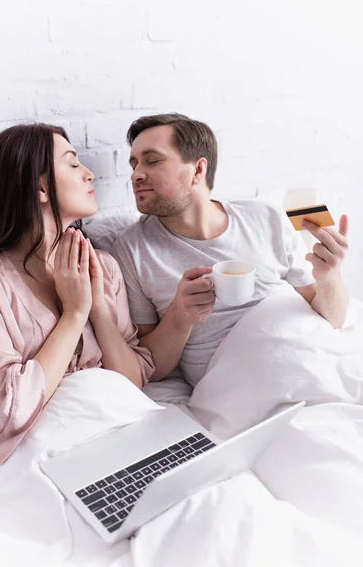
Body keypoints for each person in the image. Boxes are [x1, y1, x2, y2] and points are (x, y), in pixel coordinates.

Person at [0, 124, 155, 465]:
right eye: (73, 163)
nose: (90, 173)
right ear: (39, 186)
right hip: (47, 457)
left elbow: (132, 383)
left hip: (126, 435)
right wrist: (74, 314)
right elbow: (13, 409)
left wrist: (99, 313)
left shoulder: (103, 267)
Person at [112, 113, 349, 386]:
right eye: (134, 164)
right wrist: (179, 316)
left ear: (198, 171)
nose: (136, 175)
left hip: (312, 357)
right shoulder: (133, 250)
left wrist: (330, 277)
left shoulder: (265, 217)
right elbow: (151, 367)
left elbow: (334, 318)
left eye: (152, 161)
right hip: (238, 385)